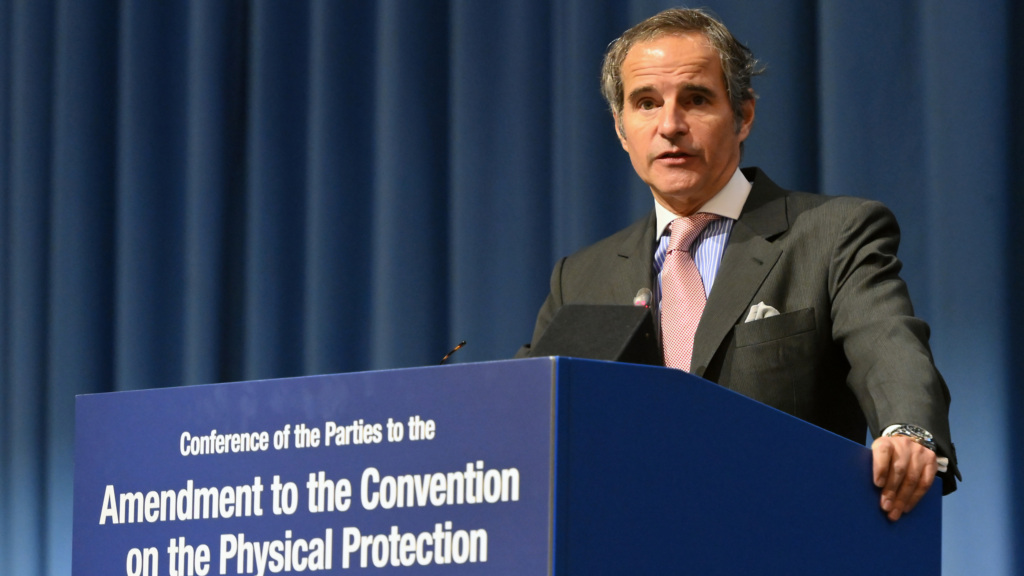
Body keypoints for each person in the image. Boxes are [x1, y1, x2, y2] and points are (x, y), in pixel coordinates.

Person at [518, 7, 959, 521]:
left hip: (781, 533)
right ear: (620, 128)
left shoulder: (833, 234)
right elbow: (527, 415)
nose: (670, 125)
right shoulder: (581, 276)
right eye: (645, 103)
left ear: (743, 114)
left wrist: (907, 430)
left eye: (696, 99)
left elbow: (889, 346)